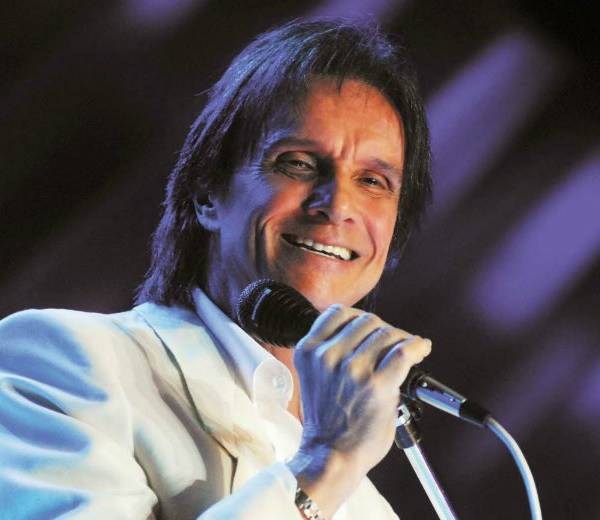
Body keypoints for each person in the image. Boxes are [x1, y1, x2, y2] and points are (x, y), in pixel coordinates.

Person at [0, 19, 433, 519]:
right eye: (297, 163)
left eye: (373, 181)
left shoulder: (368, 508)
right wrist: (326, 463)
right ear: (208, 192)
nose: (337, 205)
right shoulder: (64, 361)